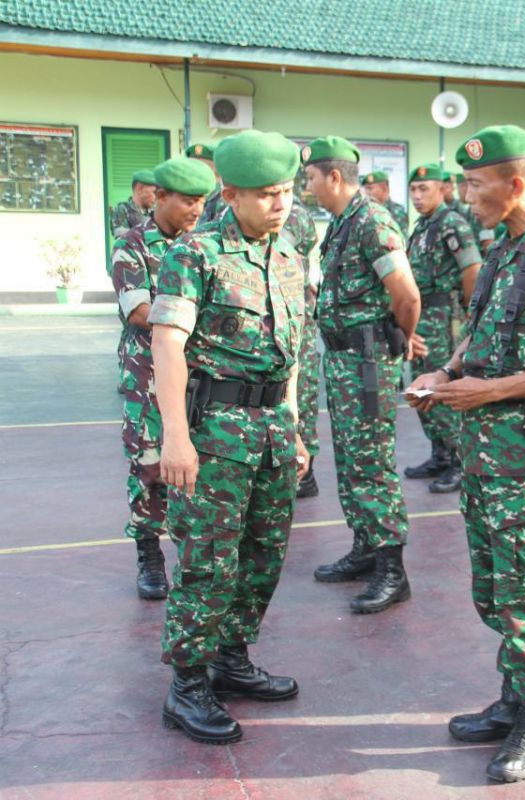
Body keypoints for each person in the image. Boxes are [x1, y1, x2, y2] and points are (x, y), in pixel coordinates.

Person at [407, 124, 525, 782]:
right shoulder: (504, 248)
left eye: (475, 184)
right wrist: (445, 372)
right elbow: (482, 329)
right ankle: (515, 696)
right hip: (486, 450)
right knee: (497, 588)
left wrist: (492, 389)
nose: (466, 196)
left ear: (516, 185)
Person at [149, 130, 310, 745]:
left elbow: (290, 355)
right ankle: (187, 684)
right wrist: (175, 437)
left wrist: (293, 430)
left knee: (263, 555)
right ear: (230, 191)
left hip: (270, 431)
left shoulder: (289, 254)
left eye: (288, 191)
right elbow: (168, 344)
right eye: (267, 194)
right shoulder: (197, 253)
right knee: (208, 561)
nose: (280, 204)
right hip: (214, 434)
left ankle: (231, 658)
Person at [303, 136, 421, 614]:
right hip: (344, 360)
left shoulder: (372, 220)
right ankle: (366, 547)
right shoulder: (341, 223)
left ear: (334, 176)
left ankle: (392, 568)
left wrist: (400, 337)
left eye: (310, 178)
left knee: (371, 462)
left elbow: (406, 294)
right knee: (351, 459)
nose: (306, 187)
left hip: (368, 360)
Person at [110, 156, 214, 600]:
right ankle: (150, 554)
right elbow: (137, 311)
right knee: (150, 465)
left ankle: (194, 554)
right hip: (147, 377)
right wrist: (188, 316)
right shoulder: (131, 245)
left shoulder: (204, 245)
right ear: (160, 197)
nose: (196, 210)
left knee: (200, 465)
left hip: (200, 375)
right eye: (188, 201)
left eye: (202, 202)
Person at [404, 162, 482, 493]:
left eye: (425, 189)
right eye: (414, 190)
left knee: (443, 387)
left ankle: (460, 461)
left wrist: (467, 314)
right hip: (424, 316)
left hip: (443, 317)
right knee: (421, 387)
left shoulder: (452, 223)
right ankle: (439, 452)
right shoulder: (424, 225)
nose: (418, 196)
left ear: (443, 190)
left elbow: (472, 268)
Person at [281, 201, 323, 499]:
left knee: (302, 395)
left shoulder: (294, 213)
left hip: (296, 318)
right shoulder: (220, 205)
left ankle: (305, 474)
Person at [109, 170, 157, 244]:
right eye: (154, 192)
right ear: (139, 189)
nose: (156, 197)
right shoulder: (123, 209)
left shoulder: (156, 212)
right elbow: (123, 240)